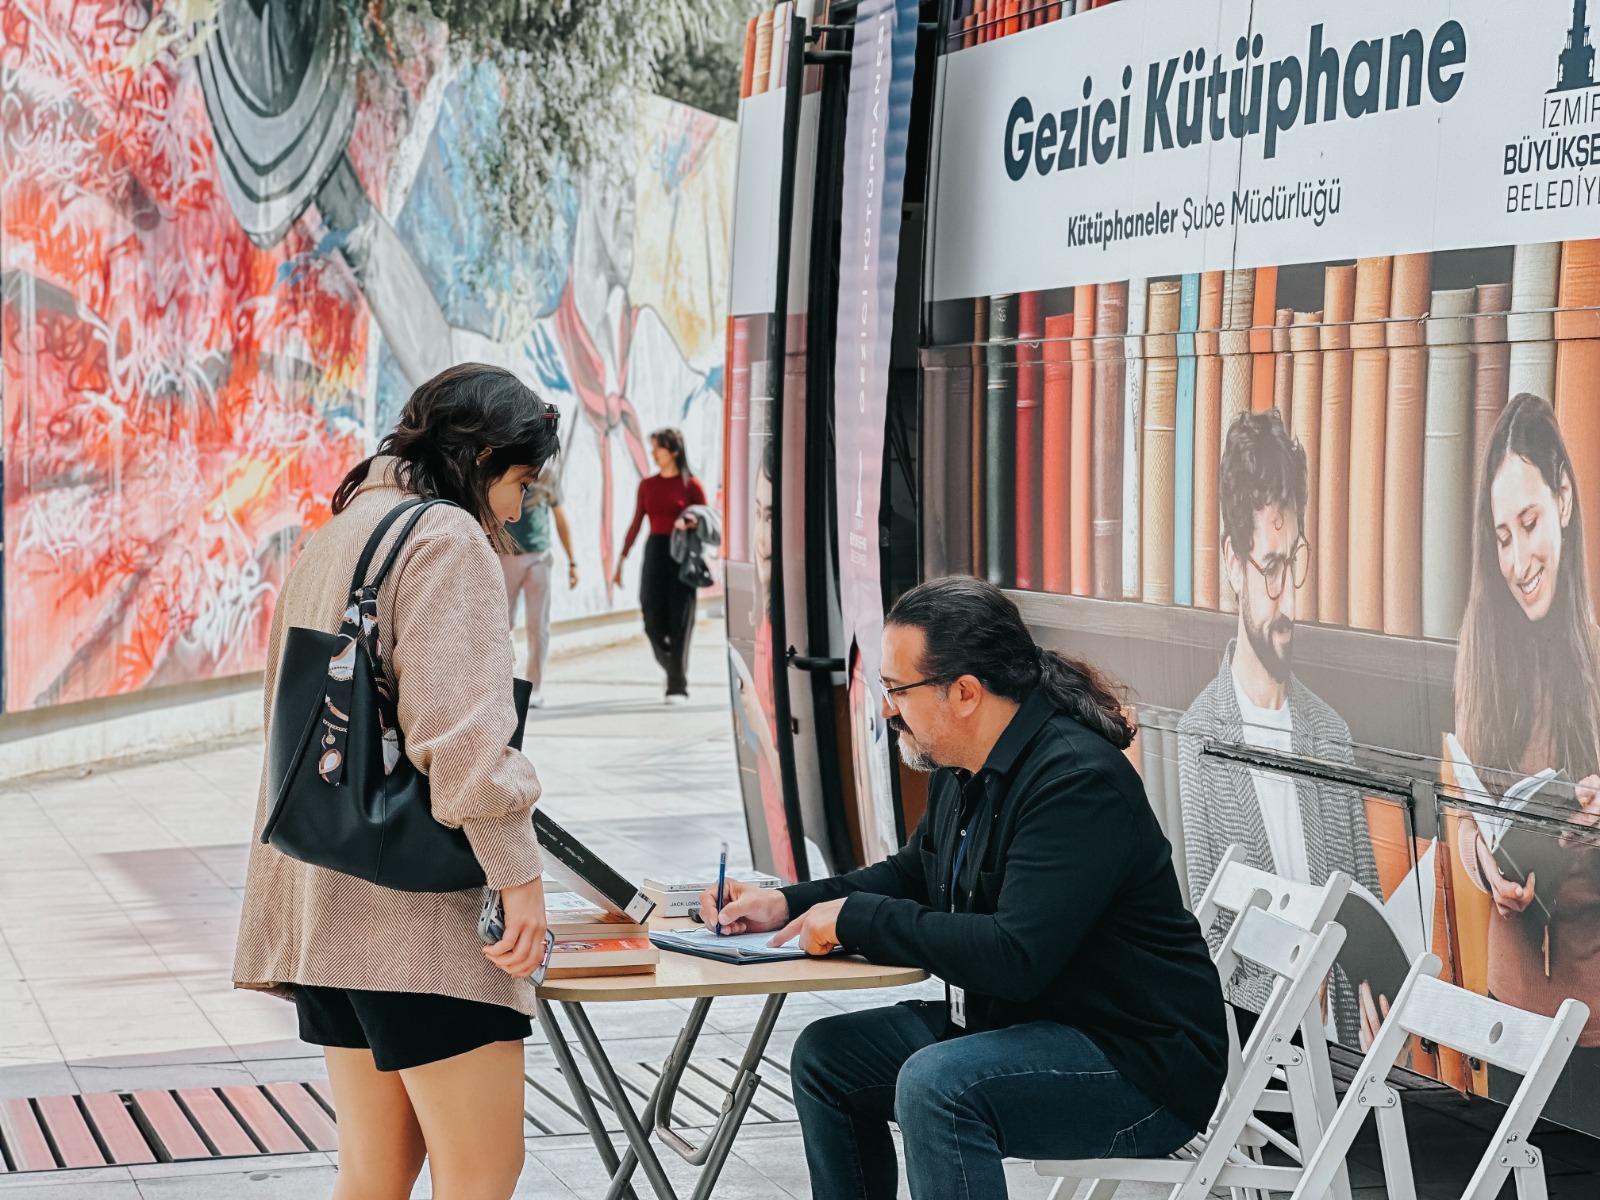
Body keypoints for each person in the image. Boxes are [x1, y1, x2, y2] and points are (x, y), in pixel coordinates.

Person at [701, 576, 1227, 1200]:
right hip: (1024, 1026)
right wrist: (790, 903)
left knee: (940, 1085)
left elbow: (1015, 957)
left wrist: (859, 920)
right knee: (826, 1056)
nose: (887, 708)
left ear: (966, 693)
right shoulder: (964, 765)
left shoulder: (1077, 782)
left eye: (897, 689)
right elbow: (914, 876)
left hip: (1136, 1066)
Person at [234, 364, 558, 1200]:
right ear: (482, 455)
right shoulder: (446, 538)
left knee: (374, 1177)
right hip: (415, 926)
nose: (519, 510)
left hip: (321, 907)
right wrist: (519, 879)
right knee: (481, 1173)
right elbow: (461, 739)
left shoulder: (339, 530)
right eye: (520, 481)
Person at [1177, 409, 1382, 1050]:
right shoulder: (1199, 739)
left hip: (1348, 1067)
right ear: (1232, 564)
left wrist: (1380, 990)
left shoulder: (1331, 733)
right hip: (1262, 1064)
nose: (1287, 595)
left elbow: (1369, 915)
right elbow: (1212, 938)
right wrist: (1292, 987)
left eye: (1294, 561)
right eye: (1269, 567)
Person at [1453, 392, 1600, 1128]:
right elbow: (1462, 822)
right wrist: (1488, 867)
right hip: (1508, 1015)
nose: (1517, 559)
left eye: (1531, 524)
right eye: (1502, 535)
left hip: (1594, 1027)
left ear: (1565, 499)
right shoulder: (1481, 649)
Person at [613, 427, 706, 702]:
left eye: (658, 447)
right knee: (651, 617)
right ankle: (674, 668)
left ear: (673, 452)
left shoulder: (692, 485)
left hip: (682, 556)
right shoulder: (647, 485)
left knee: (680, 620)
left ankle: (677, 685)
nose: (653, 452)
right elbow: (635, 523)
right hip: (654, 551)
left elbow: (708, 521)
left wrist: (690, 522)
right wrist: (621, 560)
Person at [499, 461, 577, 708]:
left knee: (538, 625)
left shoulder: (547, 477)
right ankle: (501, 683)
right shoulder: (507, 470)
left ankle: (535, 687)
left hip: (539, 556)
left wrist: (573, 562)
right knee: (502, 623)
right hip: (507, 555)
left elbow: (560, 517)